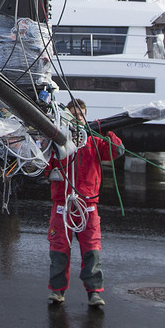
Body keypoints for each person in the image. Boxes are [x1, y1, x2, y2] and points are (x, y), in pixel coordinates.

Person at [47, 99, 125, 308]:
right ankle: (57, 291)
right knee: (58, 248)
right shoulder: (58, 142)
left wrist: (107, 131)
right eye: (73, 115)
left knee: (91, 250)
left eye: (80, 115)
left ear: (85, 117)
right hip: (62, 203)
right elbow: (44, 166)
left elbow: (116, 151)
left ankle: (94, 293)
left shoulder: (95, 141)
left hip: (88, 204)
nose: (77, 119)